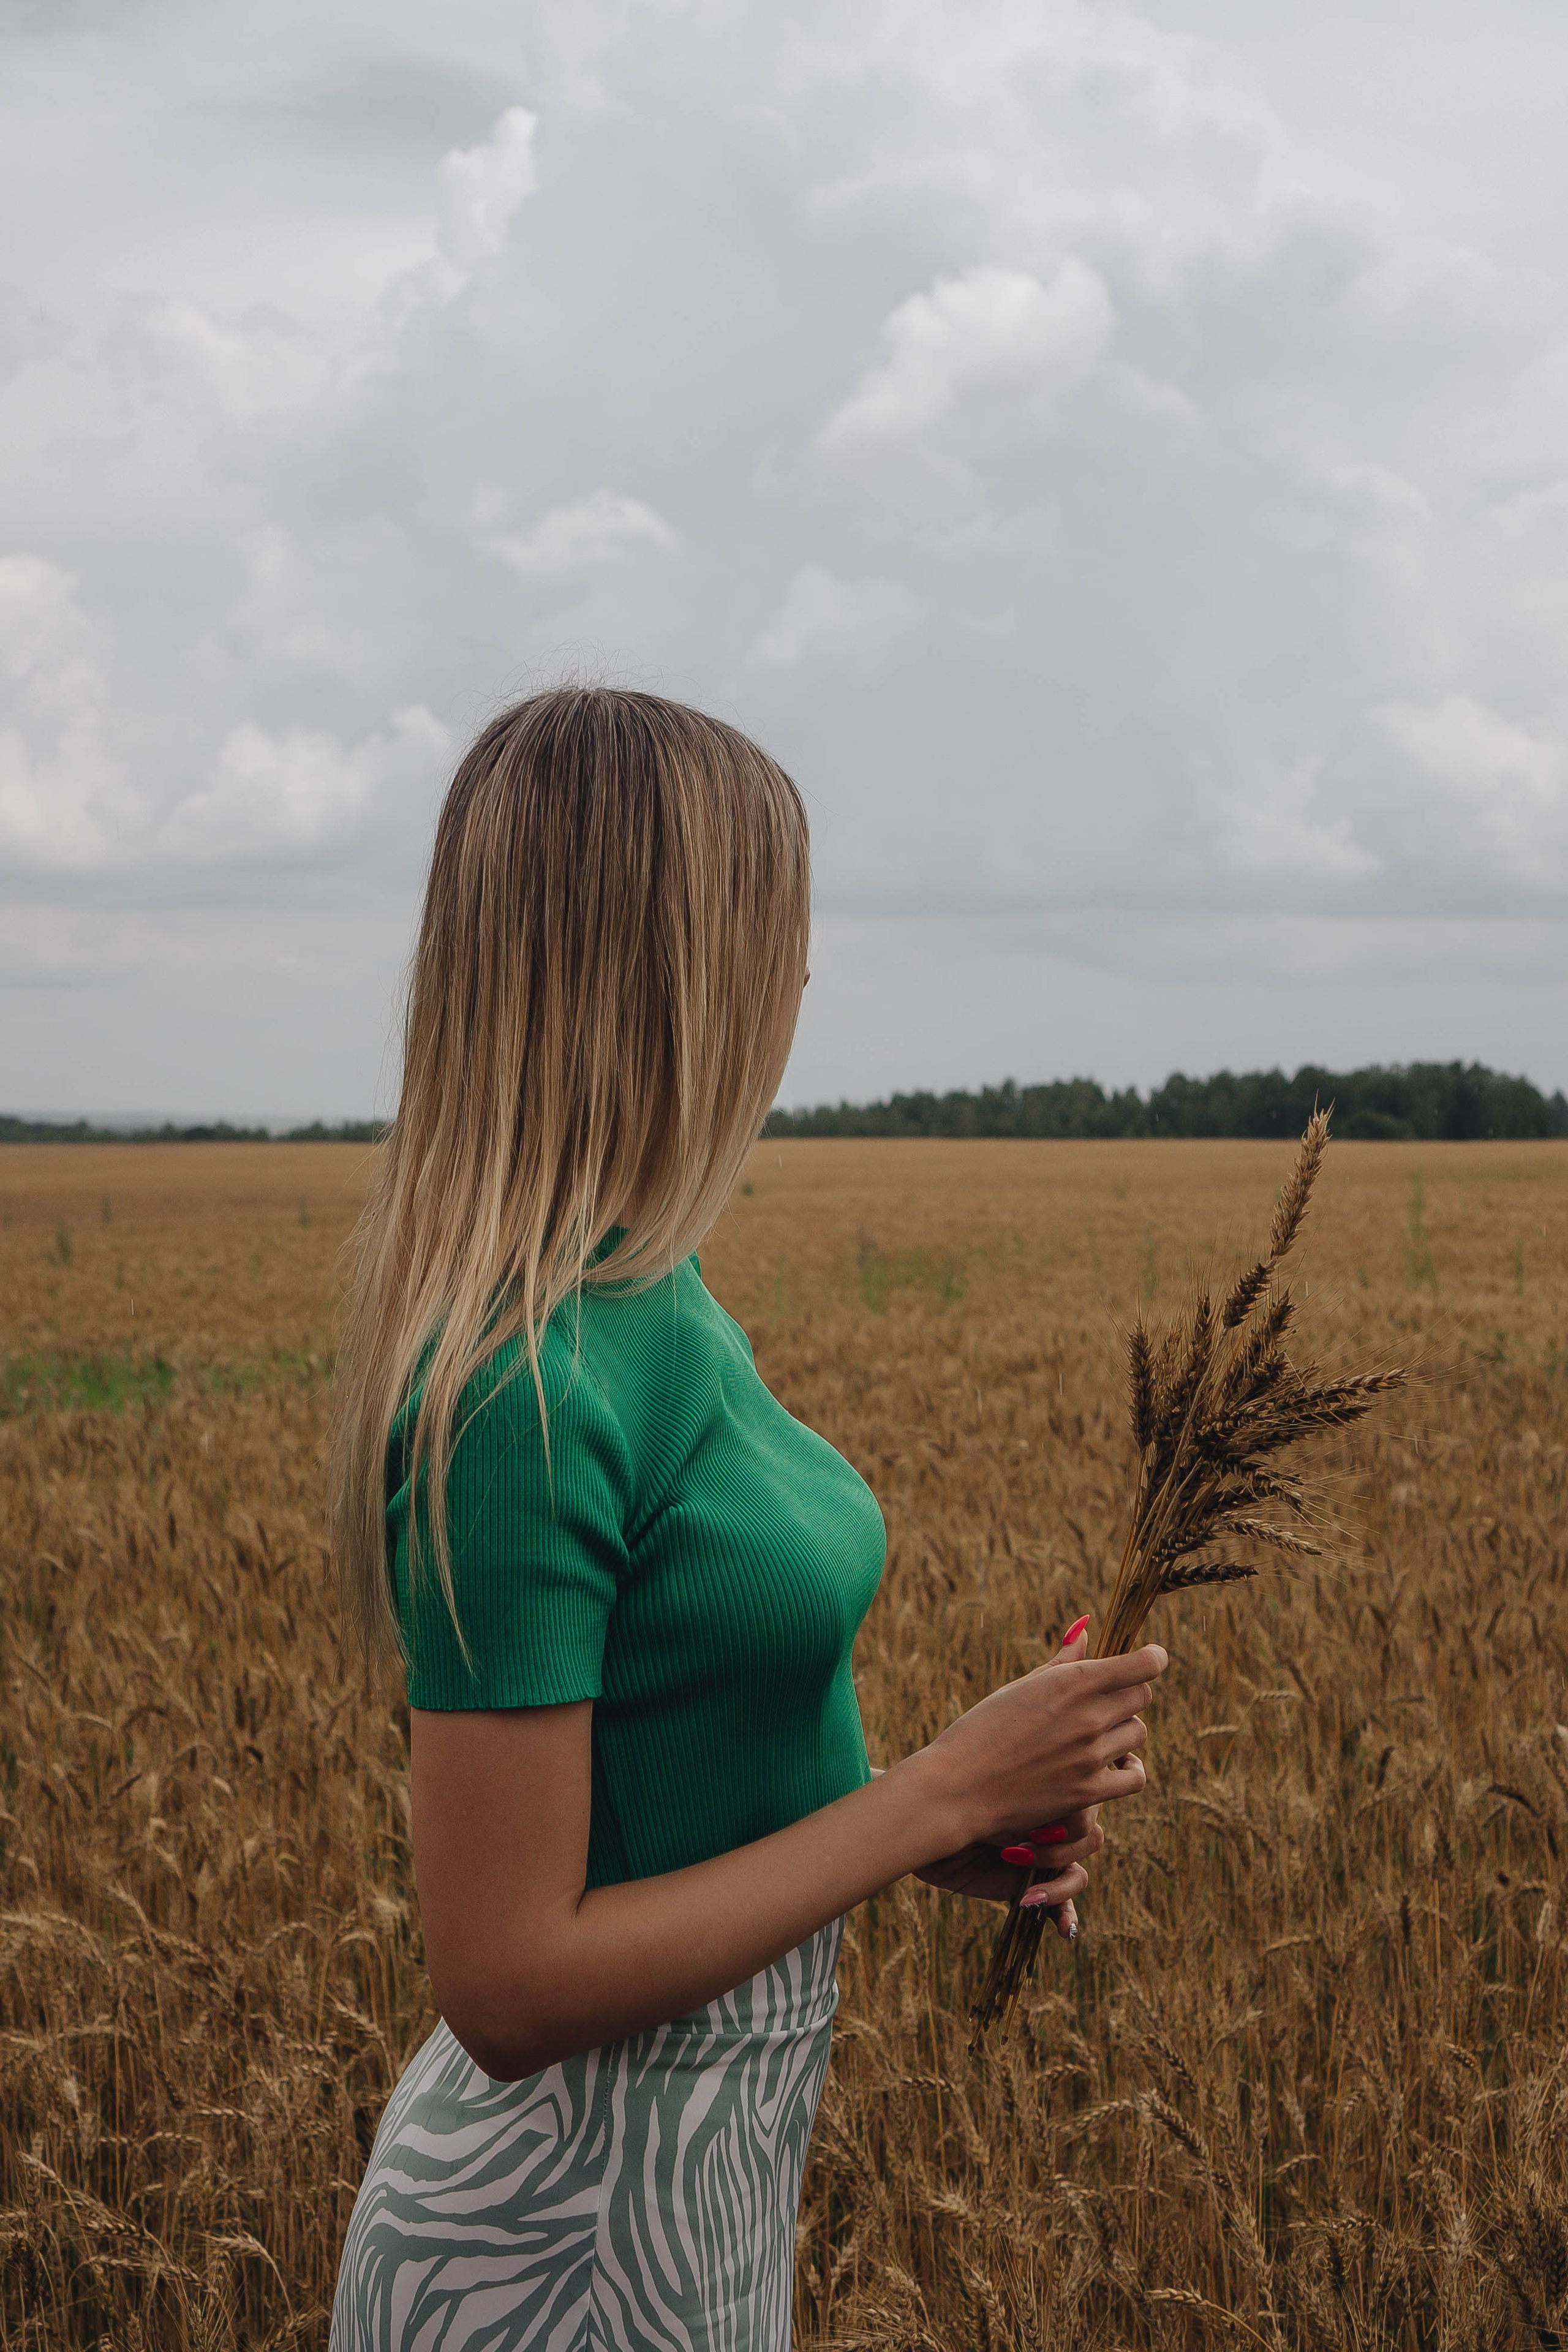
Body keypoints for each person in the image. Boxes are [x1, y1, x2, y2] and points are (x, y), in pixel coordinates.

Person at [326, 687, 1166, 2352]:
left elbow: (677, 1767)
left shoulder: (662, 1299)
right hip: (549, 2241)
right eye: (777, 927)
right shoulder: (525, 1385)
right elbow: (504, 1987)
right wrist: (933, 1795)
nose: (801, 978)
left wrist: (940, 1834)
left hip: (699, 2185)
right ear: (671, 970)